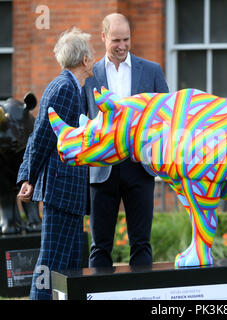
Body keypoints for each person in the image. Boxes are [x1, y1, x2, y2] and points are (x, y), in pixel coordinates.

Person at [83, 13, 169, 268]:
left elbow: (166, 115)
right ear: (103, 37)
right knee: (100, 246)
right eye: (116, 40)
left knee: (141, 242)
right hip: (101, 170)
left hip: (139, 166)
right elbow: (83, 120)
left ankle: (145, 297)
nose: (122, 46)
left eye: (126, 39)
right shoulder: (89, 74)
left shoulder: (152, 71)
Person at [17, 27, 95, 300]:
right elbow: (41, 138)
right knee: (50, 264)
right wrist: (28, 178)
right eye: (91, 55)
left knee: (70, 266)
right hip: (60, 192)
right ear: (84, 60)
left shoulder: (70, 86)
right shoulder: (63, 88)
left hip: (70, 194)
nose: (94, 59)